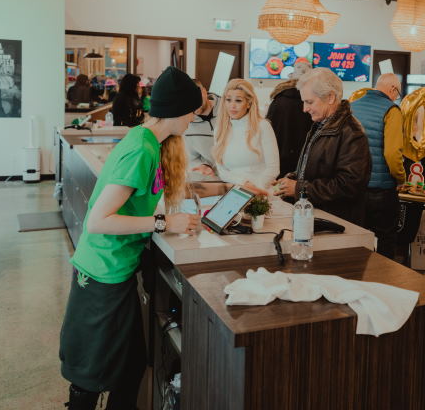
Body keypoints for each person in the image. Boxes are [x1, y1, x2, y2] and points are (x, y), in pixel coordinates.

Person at [59, 66, 203, 410]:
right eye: (193, 111)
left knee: (130, 366)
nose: (194, 118)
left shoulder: (147, 140)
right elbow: (98, 221)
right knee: (92, 373)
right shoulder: (142, 149)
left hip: (114, 270)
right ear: (181, 109)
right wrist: (163, 222)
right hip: (102, 272)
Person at [273, 68, 370, 225]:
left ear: (330, 97)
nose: (304, 109)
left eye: (309, 102)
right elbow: (316, 168)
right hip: (318, 217)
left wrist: (299, 188)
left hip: (338, 224)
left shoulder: (351, 133)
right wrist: (290, 180)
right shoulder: (321, 125)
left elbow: (349, 186)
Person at [350, 73, 407, 258]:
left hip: (354, 187)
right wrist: (401, 178)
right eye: (397, 93)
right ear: (392, 90)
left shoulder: (352, 106)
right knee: (385, 240)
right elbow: (392, 153)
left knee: (357, 240)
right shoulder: (392, 110)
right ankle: (384, 282)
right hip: (380, 191)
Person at [195, 79, 279, 194]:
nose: (232, 106)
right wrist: (244, 184)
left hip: (262, 193)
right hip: (234, 193)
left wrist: (256, 188)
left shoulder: (263, 126)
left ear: (249, 103)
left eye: (238, 101)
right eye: (228, 100)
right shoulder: (220, 130)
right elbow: (222, 171)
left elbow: (273, 168)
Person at [266, 61, 314, 179]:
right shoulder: (312, 102)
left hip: (277, 159)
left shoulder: (278, 99)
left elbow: (268, 129)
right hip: (305, 162)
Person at [184, 78, 221, 179]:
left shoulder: (227, 109)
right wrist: (203, 166)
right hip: (213, 179)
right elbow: (190, 158)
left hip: (240, 177)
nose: (194, 104)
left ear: (204, 91)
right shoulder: (186, 124)